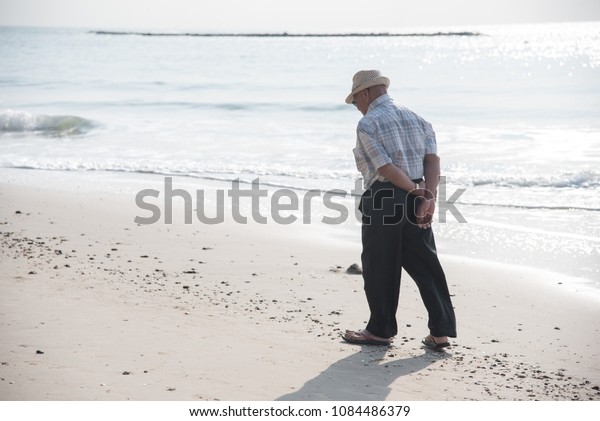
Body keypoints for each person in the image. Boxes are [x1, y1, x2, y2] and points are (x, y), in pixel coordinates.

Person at [342, 70, 457, 349]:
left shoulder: (369, 123)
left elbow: (385, 168)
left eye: (356, 100)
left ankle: (380, 331)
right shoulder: (418, 119)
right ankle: (440, 332)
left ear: (366, 93)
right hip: (418, 194)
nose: (357, 107)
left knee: (380, 265)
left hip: (385, 196)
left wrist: (417, 193)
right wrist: (427, 197)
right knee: (426, 265)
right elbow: (432, 161)